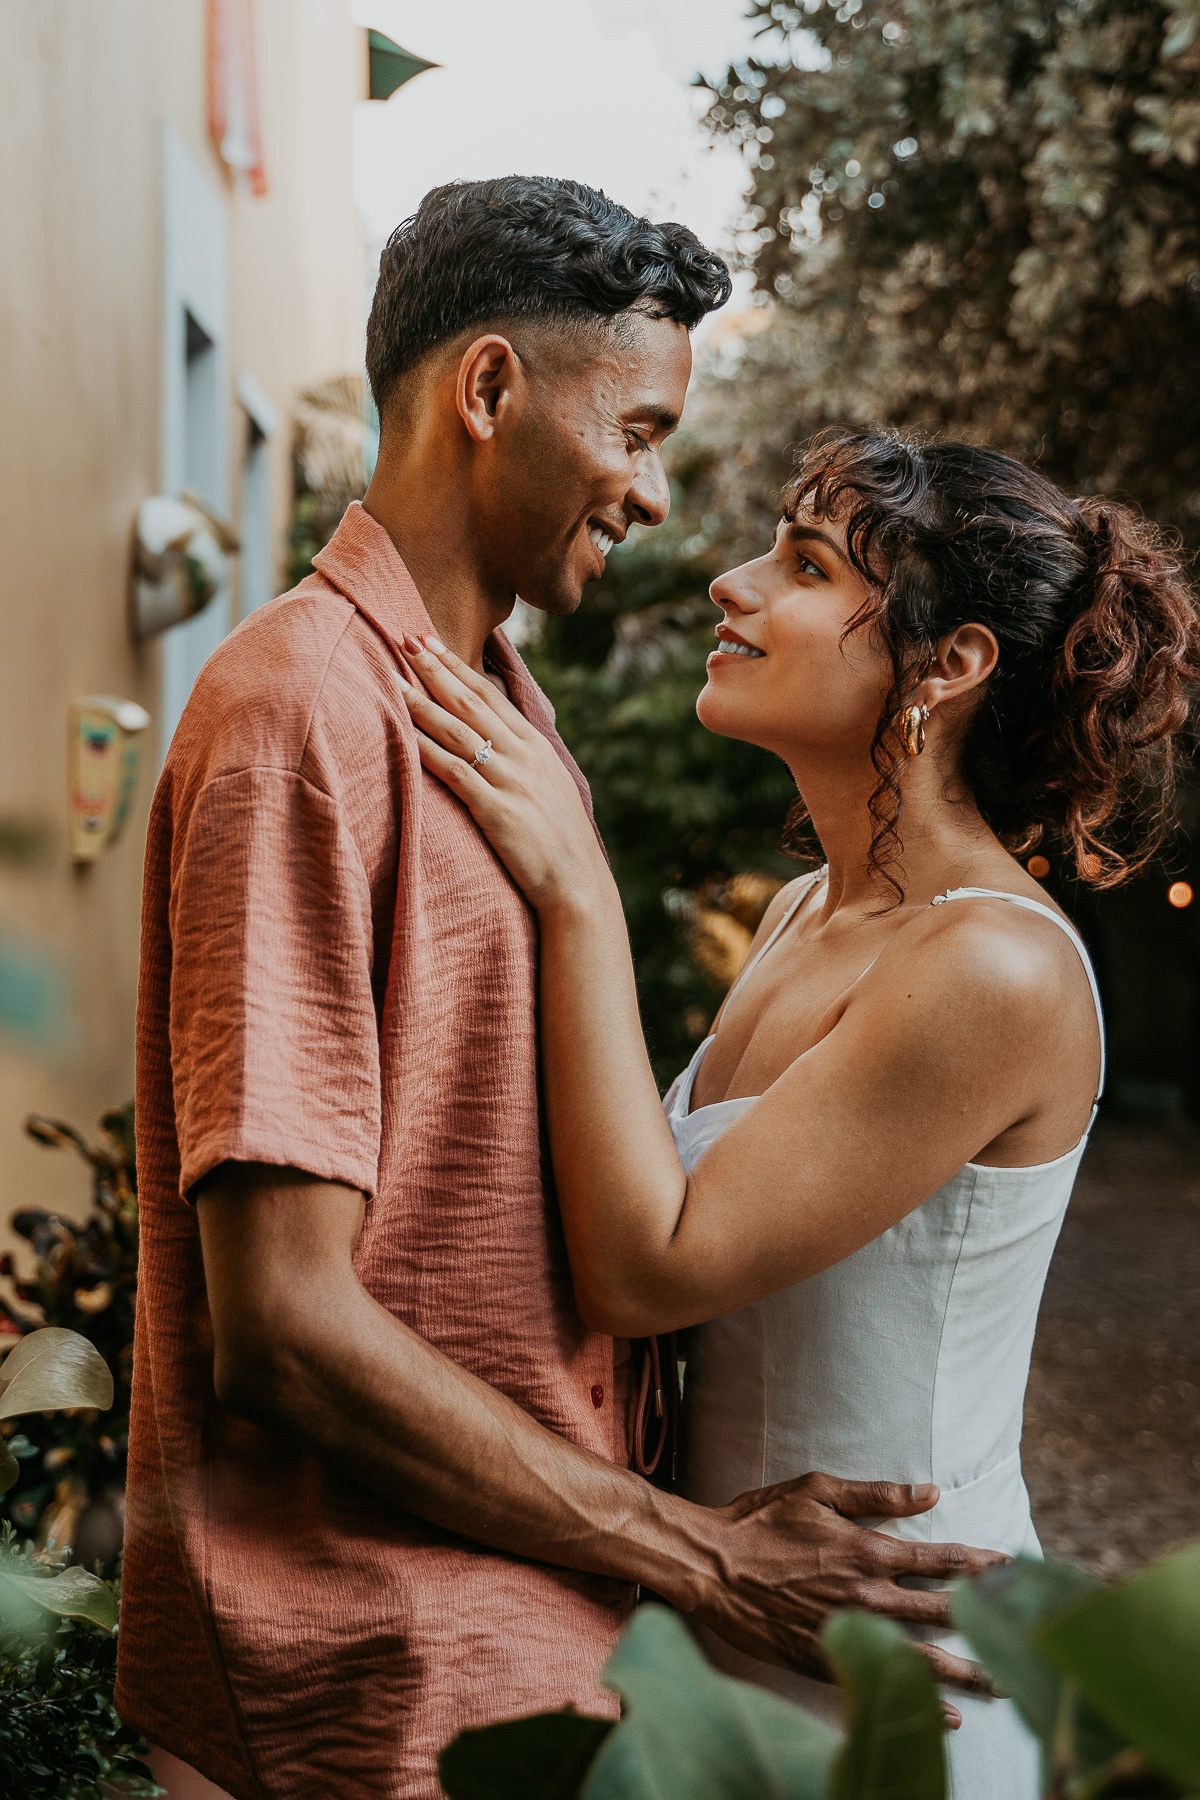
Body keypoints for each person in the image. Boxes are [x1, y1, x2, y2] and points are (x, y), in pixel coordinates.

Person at [117, 189, 999, 1800]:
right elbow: (287, 1331)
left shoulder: (515, 731)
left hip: (539, 1658)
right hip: (367, 1678)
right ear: (491, 390)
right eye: (641, 432)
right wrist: (704, 1556)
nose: (659, 497)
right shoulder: (298, 711)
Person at [402, 428, 1200, 1799]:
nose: (733, 581)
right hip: (725, 1614)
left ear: (947, 666)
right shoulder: (799, 915)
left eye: (808, 564)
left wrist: (578, 895)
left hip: (880, 1669)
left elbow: (650, 1266)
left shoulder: (993, 969)